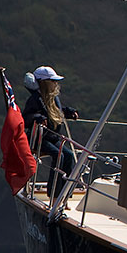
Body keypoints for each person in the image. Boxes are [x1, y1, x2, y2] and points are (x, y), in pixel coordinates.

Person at [22, 66, 79, 197]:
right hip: (39, 138)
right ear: (44, 82)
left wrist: (69, 112)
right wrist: (38, 118)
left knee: (69, 155)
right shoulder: (35, 100)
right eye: (53, 81)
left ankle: (65, 194)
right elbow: (26, 117)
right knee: (59, 156)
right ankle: (54, 195)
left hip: (52, 137)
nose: (56, 83)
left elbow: (58, 111)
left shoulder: (52, 98)